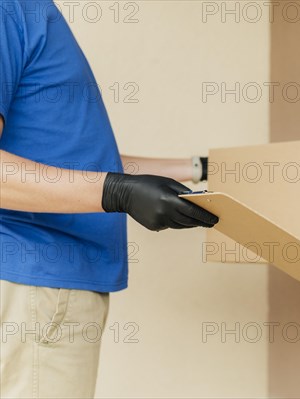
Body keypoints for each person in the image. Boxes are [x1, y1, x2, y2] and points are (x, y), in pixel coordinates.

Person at [0, 0, 218, 397]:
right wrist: (116, 193)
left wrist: (201, 168)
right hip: (35, 283)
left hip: (41, 288)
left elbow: (78, 162)